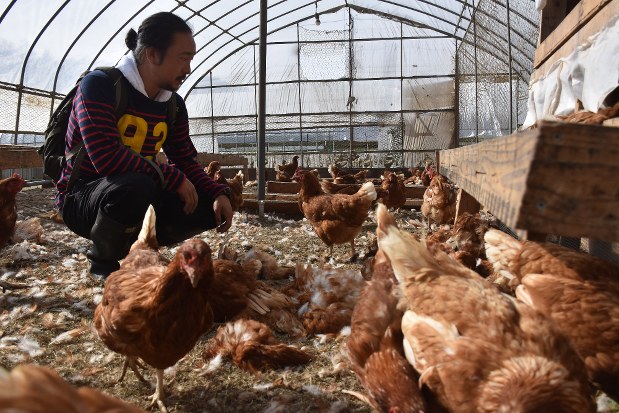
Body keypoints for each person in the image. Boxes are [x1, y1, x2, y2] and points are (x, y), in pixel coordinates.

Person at [56, 12, 233, 279]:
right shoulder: (100, 86)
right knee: (137, 185)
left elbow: (184, 160)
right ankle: (103, 263)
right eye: (183, 58)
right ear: (152, 54)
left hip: (138, 191)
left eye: (191, 59)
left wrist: (218, 192)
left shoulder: (173, 105)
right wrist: (171, 177)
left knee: (209, 204)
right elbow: (106, 157)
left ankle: (142, 248)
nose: (188, 69)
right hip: (84, 197)